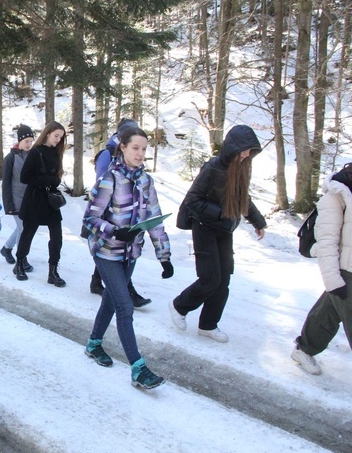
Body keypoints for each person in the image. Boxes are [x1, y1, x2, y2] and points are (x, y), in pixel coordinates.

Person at [82, 127, 172, 389]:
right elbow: (90, 218)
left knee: (111, 301)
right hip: (106, 251)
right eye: (135, 148)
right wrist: (114, 230)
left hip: (131, 253)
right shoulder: (109, 179)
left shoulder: (146, 181)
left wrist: (163, 255)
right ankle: (138, 368)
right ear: (122, 147)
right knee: (125, 306)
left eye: (144, 149)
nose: (140, 154)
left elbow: (154, 219)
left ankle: (93, 344)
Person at [170, 125, 266, 343]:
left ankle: (208, 325)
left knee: (223, 282)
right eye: (243, 150)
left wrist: (258, 221)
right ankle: (179, 306)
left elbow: (244, 199)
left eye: (249, 151)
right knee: (210, 279)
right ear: (232, 147)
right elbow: (192, 199)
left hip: (224, 230)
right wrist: (222, 214)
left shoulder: (240, 169)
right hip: (204, 227)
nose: (245, 155)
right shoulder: (212, 167)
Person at [291, 164, 352, 375]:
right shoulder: (337, 194)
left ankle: (305, 348)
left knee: (328, 311)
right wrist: (334, 281)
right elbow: (327, 242)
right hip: (346, 270)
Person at [89, 119, 151, 308]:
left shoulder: (132, 159)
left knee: (113, 253)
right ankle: (126, 294)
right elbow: (100, 181)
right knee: (110, 252)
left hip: (124, 216)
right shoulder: (107, 155)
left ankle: (97, 282)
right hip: (107, 214)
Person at [13, 121, 67, 287]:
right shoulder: (36, 152)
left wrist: (56, 180)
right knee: (28, 233)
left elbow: (56, 175)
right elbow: (25, 177)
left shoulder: (57, 152)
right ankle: (19, 263)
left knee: (57, 237)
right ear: (48, 133)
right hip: (35, 199)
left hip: (50, 201)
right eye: (56, 135)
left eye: (61, 137)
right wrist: (49, 179)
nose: (58, 139)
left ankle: (53, 271)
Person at [0, 125, 34, 271]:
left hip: (29, 201)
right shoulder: (11, 158)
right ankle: (22, 258)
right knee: (24, 229)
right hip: (15, 201)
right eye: (26, 141)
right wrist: (9, 205)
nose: (29, 144)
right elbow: (5, 183)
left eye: (31, 141)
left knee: (22, 228)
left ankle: (6, 248)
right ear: (19, 141)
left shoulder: (32, 156)